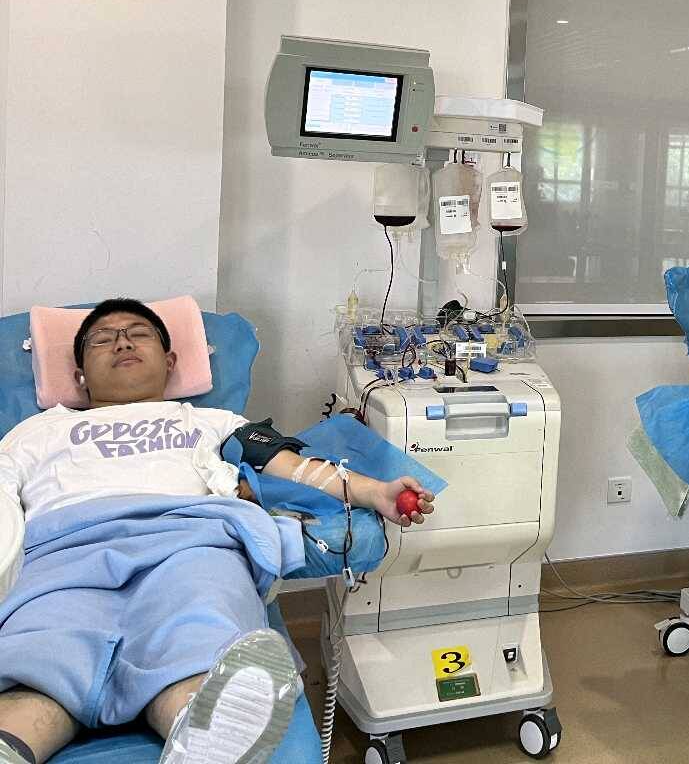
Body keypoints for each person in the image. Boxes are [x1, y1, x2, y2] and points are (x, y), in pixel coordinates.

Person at [0, 299, 436, 764]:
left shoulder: (211, 422)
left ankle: (205, 737)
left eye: (138, 334)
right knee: (42, 658)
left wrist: (375, 492)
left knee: (199, 633)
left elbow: (293, 466)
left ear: (170, 361)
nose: (122, 342)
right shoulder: (37, 431)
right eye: (103, 339)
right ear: (80, 374)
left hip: (190, 545)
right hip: (64, 555)